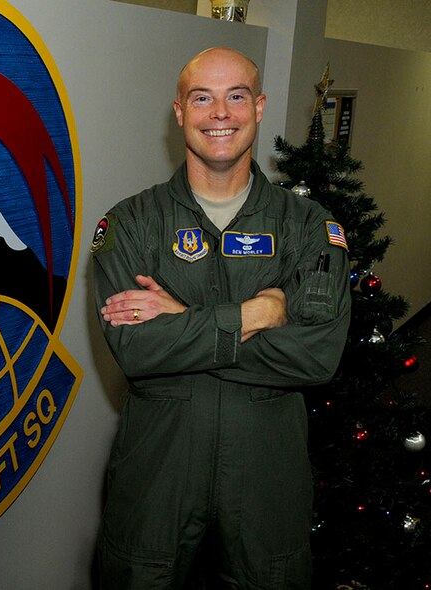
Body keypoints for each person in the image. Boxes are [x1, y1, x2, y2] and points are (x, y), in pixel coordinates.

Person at [90, 47, 351, 589]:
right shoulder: (130, 224)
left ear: (258, 107)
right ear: (180, 112)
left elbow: (315, 355)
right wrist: (257, 312)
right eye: (202, 98)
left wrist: (181, 317)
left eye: (235, 97)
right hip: (157, 475)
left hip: (265, 476)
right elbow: (138, 351)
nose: (220, 113)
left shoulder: (308, 228)